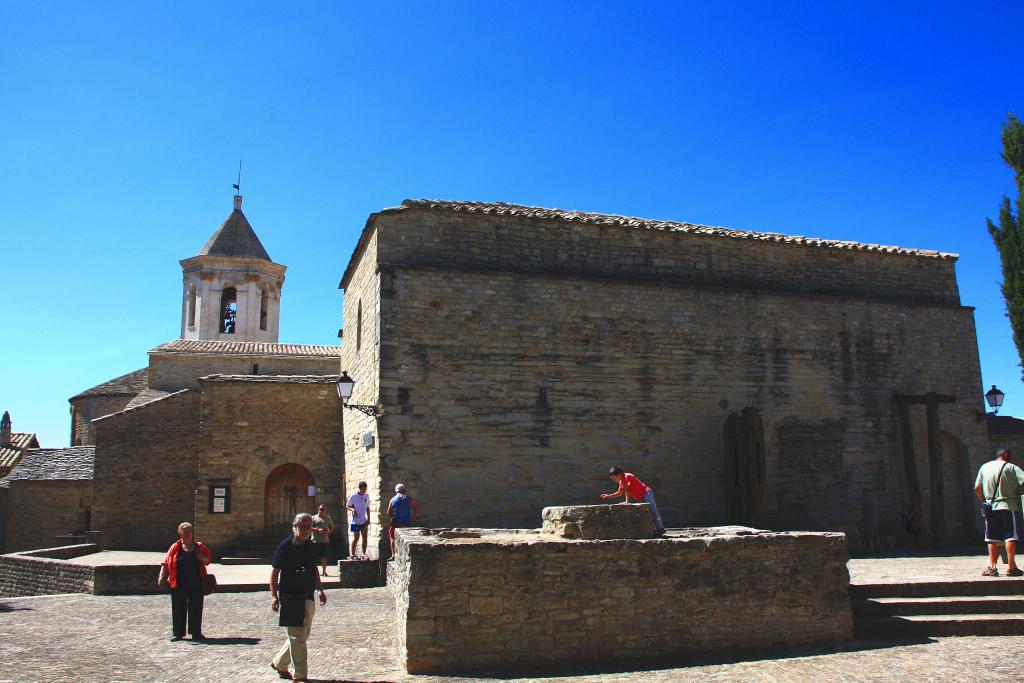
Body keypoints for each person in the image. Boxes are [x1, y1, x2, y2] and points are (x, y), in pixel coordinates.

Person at [270, 513, 328, 682]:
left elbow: (314, 568)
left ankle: (279, 663)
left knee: (302, 636)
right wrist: (274, 596)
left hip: (307, 595)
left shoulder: (310, 545)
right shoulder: (284, 546)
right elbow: (274, 574)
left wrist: (320, 589)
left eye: (308, 527)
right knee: (297, 638)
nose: (306, 531)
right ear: (294, 527)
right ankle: (300, 676)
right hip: (290, 597)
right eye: (302, 527)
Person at [157, 522, 212, 642]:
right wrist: (161, 576)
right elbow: (166, 563)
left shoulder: (199, 546)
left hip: (196, 582)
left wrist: (202, 558)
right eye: (184, 532)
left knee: (196, 608)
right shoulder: (174, 548)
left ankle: (196, 632)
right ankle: (178, 633)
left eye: (189, 532)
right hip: (178, 583)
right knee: (178, 608)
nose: (187, 534)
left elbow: (208, 559)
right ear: (179, 533)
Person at [974, 447, 1024, 577]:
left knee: (991, 538)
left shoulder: (984, 467)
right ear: (1006, 455)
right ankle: (1011, 567)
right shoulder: (1011, 467)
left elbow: (977, 487)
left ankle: (992, 567)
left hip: (990, 507)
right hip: (1009, 506)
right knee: (1010, 537)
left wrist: (984, 500)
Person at [600, 466, 666, 535]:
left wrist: (627, 501)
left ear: (619, 475)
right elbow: (619, 493)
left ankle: (660, 528)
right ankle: (655, 530)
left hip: (647, 493)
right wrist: (608, 496)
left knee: (653, 511)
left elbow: (626, 490)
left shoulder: (627, 476)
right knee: (648, 512)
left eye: (614, 478)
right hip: (642, 496)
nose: (614, 480)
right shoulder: (621, 481)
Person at [386, 483, 420, 558]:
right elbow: (416, 506)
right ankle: (405, 555)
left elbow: (388, 513)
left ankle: (393, 555)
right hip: (406, 522)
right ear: (404, 491)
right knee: (405, 537)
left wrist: (395, 515)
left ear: (396, 491)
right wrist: (413, 515)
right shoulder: (409, 499)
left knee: (392, 537)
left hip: (395, 522)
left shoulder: (393, 499)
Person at [347, 481, 371, 559]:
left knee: (365, 537)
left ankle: (364, 553)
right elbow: (348, 506)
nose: (364, 491)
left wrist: (369, 519)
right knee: (356, 537)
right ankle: (352, 554)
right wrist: (353, 510)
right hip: (356, 521)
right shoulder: (354, 496)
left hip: (363, 520)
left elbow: (367, 507)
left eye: (365, 489)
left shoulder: (366, 496)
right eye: (363, 489)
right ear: (359, 489)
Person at [311, 505, 335, 577]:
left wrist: (328, 532)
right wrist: (317, 530)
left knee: (324, 557)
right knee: (313, 557)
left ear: (325, 510)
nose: (322, 510)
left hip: (324, 540)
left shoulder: (328, 518)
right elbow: (309, 527)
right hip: (315, 540)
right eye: (321, 509)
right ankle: (313, 571)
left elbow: (332, 528)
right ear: (318, 509)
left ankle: (324, 571)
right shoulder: (313, 518)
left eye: (323, 509)